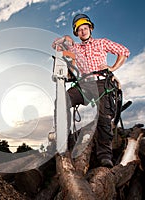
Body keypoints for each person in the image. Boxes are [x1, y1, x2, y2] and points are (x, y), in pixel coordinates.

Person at [52, 13, 130, 168]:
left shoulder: (102, 43)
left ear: (90, 29)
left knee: (103, 118)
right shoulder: (74, 48)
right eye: (79, 29)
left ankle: (105, 156)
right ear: (76, 32)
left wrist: (112, 68)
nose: (83, 31)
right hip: (84, 84)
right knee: (62, 99)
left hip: (101, 82)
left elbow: (124, 51)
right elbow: (56, 46)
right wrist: (65, 39)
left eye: (85, 28)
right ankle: (63, 139)